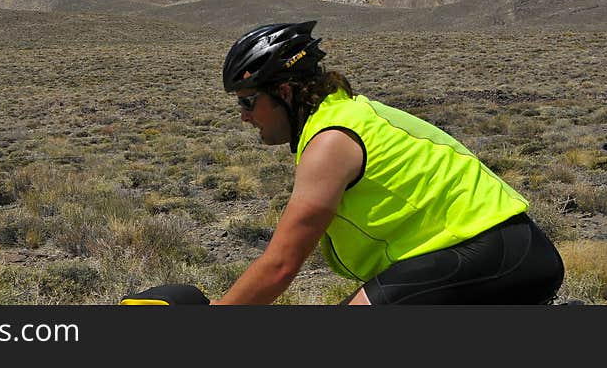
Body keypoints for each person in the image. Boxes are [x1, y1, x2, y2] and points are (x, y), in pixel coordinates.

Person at [210, 20, 565, 305]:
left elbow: (280, 267)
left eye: (247, 102)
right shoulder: (344, 114)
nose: (244, 117)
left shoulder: (331, 140)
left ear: (284, 92)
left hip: (489, 250)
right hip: (503, 248)